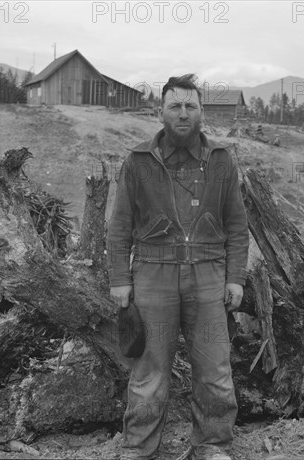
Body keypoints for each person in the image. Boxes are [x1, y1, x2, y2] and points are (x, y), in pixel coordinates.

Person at [107, 74, 249, 460]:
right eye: (175, 106)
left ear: (202, 112)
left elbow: (237, 226)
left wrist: (235, 277)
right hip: (154, 275)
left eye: (190, 106)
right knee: (149, 372)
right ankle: (139, 448)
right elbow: (119, 226)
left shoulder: (221, 161)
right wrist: (120, 278)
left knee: (214, 370)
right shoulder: (138, 162)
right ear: (161, 112)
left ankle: (212, 445)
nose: (183, 113)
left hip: (208, 275)